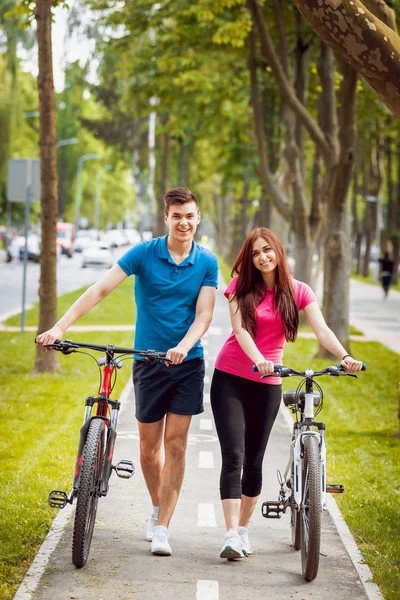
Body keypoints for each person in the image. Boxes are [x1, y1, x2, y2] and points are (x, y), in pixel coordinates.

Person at [36, 187, 218, 556]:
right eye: (176, 216)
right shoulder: (144, 253)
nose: (184, 222)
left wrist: (184, 346)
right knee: (150, 451)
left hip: (187, 363)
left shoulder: (207, 262)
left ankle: (163, 526)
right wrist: (60, 327)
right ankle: (155, 509)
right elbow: (100, 290)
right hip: (149, 363)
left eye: (190, 216)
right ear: (166, 218)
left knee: (176, 445)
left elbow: (204, 315)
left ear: (198, 218)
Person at [211, 227, 363, 561]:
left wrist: (344, 357)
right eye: (255, 253)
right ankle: (231, 534)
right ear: (249, 259)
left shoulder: (298, 291)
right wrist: (259, 360)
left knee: (253, 460)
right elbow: (240, 331)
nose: (262, 257)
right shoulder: (239, 287)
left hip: (268, 384)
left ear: (278, 251)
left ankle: (244, 531)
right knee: (234, 456)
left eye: (267, 250)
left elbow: (321, 329)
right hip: (231, 377)